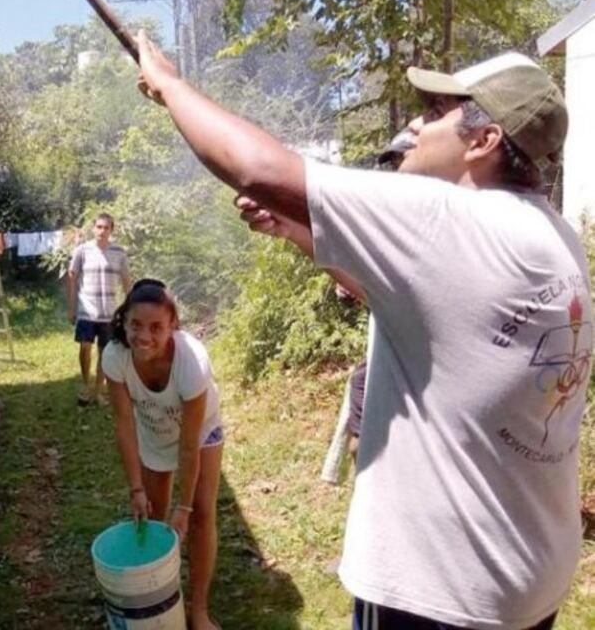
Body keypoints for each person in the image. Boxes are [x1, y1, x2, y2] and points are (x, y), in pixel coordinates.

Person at [135, 31, 590, 630]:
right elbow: (400, 295)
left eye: (435, 114)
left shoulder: (446, 217)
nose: (418, 128)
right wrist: (293, 229)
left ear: (484, 141)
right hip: (528, 579)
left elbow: (256, 167)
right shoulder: (556, 240)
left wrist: (169, 85)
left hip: (439, 589)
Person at [102, 279, 224, 630]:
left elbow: (189, 446)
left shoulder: (191, 362)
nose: (144, 336)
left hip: (200, 431)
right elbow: (124, 424)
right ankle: (159, 598)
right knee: (153, 518)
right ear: (124, 322)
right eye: (136, 325)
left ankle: (199, 609)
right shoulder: (115, 356)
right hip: (153, 428)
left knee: (200, 513)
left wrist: (183, 507)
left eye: (157, 327)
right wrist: (136, 489)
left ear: (173, 326)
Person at [67, 212, 132, 406]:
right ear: (94, 229)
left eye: (106, 228)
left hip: (109, 313)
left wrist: (130, 308)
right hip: (87, 310)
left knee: (105, 352)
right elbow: (72, 278)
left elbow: (126, 281)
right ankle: (86, 385)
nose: (102, 231)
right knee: (85, 348)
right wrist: (71, 308)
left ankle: (98, 391)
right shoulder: (82, 251)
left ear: (112, 230)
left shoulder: (119, 253)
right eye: (99, 227)